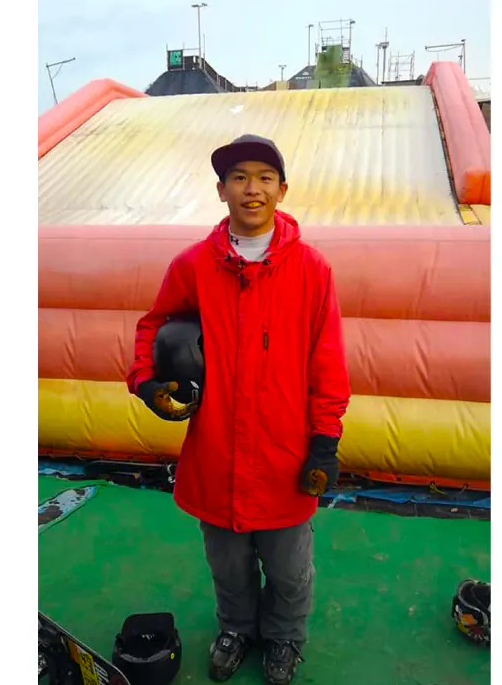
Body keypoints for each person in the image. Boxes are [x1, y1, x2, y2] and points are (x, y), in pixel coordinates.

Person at [126, 134, 351, 684]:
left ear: (282, 190)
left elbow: (327, 359)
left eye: (264, 178)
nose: (253, 189)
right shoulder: (193, 265)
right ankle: (236, 629)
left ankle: (284, 638)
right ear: (221, 190)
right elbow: (154, 325)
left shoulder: (311, 269)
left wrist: (325, 441)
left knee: (290, 569)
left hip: (284, 452)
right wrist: (148, 382)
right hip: (217, 451)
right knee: (228, 564)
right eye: (240, 178)